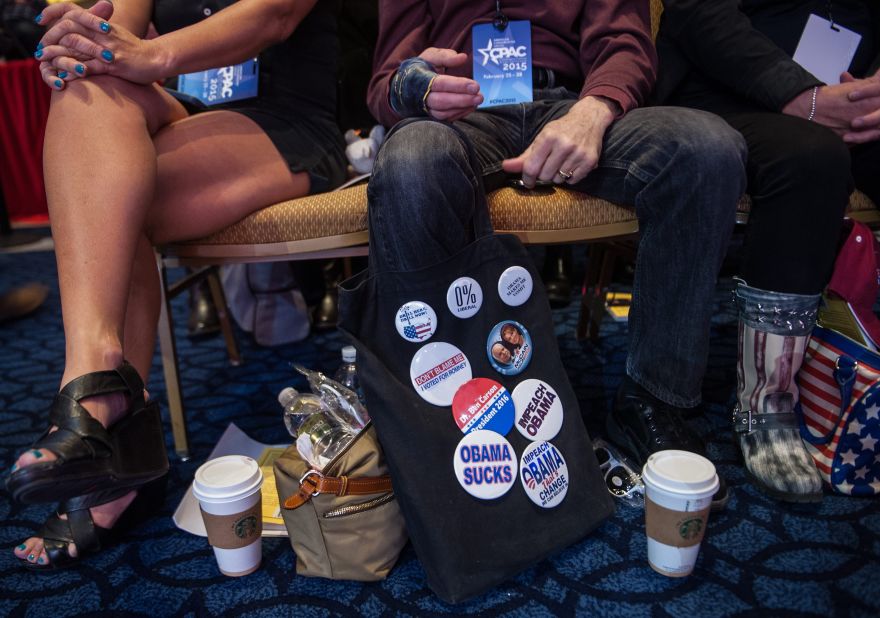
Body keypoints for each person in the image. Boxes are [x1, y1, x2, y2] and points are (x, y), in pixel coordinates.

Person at [6, 0, 346, 569]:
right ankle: (99, 374)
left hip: (284, 121)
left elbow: (275, 15)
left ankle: (115, 426)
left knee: (110, 200)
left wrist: (152, 53)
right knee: (84, 89)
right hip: (181, 110)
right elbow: (108, 23)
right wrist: (77, 40)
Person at [366, 1, 748, 505]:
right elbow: (385, 83)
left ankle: (655, 399)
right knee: (412, 162)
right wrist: (414, 88)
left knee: (705, 147)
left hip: (573, 101)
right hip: (462, 115)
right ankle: (444, 415)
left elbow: (625, 45)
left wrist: (597, 108)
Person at [654, 0, 880, 501]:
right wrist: (800, 94)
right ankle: (767, 403)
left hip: (862, 91)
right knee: (811, 160)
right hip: (731, 87)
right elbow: (696, 12)